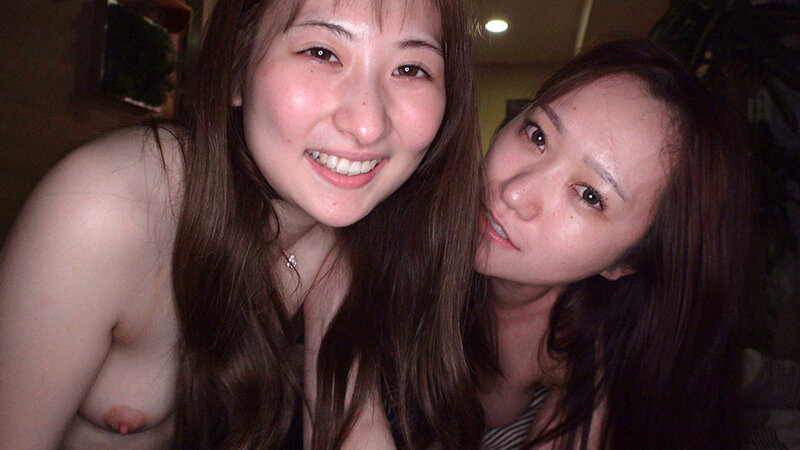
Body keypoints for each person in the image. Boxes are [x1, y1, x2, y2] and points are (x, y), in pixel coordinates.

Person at [0, 0, 483, 447]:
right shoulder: (103, 209)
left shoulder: (341, 241)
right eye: (321, 52)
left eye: (410, 69)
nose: (368, 124)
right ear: (235, 73)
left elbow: (354, 426)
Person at [473, 40, 756, 449]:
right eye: (538, 135)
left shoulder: (602, 368)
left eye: (590, 196)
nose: (515, 192)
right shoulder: (398, 232)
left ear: (625, 262)